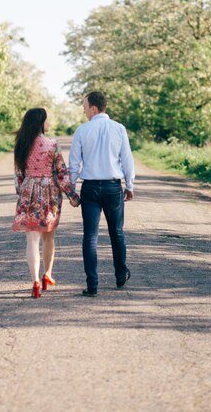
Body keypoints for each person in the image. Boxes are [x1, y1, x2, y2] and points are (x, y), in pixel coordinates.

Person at [69, 91, 135, 296]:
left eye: (85, 107)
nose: (83, 111)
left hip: (89, 188)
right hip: (113, 187)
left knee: (90, 237)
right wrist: (129, 185)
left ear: (94, 109)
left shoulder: (82, 130)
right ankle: (120, 277)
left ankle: (92, 285)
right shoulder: (119, 128)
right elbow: (127, 159)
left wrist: (71, 190)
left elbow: (73, 164)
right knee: (117, 233)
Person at [12, 107, 80, 298]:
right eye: (47, 120)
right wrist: (72, 196)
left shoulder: (21, 144)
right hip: (49, 195)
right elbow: (61, 174)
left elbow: (18, 175)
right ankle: (47, 275)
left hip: (28, 193)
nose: (48, 124)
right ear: (41, 123)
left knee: (31, 240)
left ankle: (34, 282)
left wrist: (23, 191)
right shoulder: (51, 144)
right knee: (48, 237)